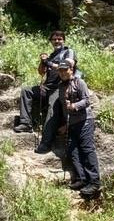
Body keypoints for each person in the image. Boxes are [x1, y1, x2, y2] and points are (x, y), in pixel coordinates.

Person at [13, 31, 76, 134]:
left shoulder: (68, 51)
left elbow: (68, 64)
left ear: (63, 40)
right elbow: (41, 72)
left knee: (53, 106)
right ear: (51, 41)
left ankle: (48, 133)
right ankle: (26, 124)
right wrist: (43, 62)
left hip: (59, 87)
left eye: (59, 39)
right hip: (47, 87)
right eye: (54, 39)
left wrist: (48, 63)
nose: (57, 41)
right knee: (26, 90)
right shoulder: (51, 56)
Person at [54, 59, 101, 198]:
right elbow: (64, 108)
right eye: (60, 70)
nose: (62, 73)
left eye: (65, 70)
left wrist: (74, 106)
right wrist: (65, 124)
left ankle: (95, 182)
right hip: (72, 123)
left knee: (87, 150)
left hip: (85, 121)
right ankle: (81, 179)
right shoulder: (61, 87)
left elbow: (86, 100)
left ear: (71, 70)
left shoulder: (79, 82)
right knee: (72, 150)